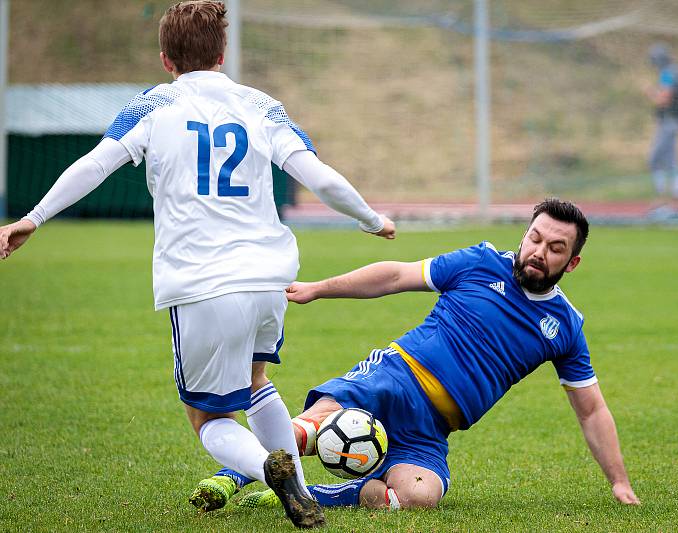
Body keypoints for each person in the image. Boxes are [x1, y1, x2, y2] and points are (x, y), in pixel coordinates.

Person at [0, 1, 396, 528]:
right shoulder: (262, 105)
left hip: (202, 283)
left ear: (166, 59)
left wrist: (34, 216)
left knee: (208, 416)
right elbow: (319, 177)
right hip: (269, 280)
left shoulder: (155, 105)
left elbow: (96, 163)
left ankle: (269, 469)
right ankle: (302, 490)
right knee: (257, 381)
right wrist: (370, 219)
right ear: (222, 52)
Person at [191, 198, 640, 511]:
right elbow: (394, 276)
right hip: (393, 378)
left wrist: (619, 482)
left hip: (431, 429)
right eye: (535, 238)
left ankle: (315, 493)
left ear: (572, 263)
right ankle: (235, 475)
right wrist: (318, 290)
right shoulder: (480, 263)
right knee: (309, 433)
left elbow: (591, 410)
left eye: (555, 248)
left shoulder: (565, 327)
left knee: (418, 498)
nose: (539, 252)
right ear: (525, 235)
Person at [645, 43, 678, 202]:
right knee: (671, 158)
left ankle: (661, 194)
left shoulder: (667, 73)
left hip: (670, 121)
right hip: (676, 121)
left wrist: (650, 92)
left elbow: (664, 99)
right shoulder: (677, 71)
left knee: (655, 158)